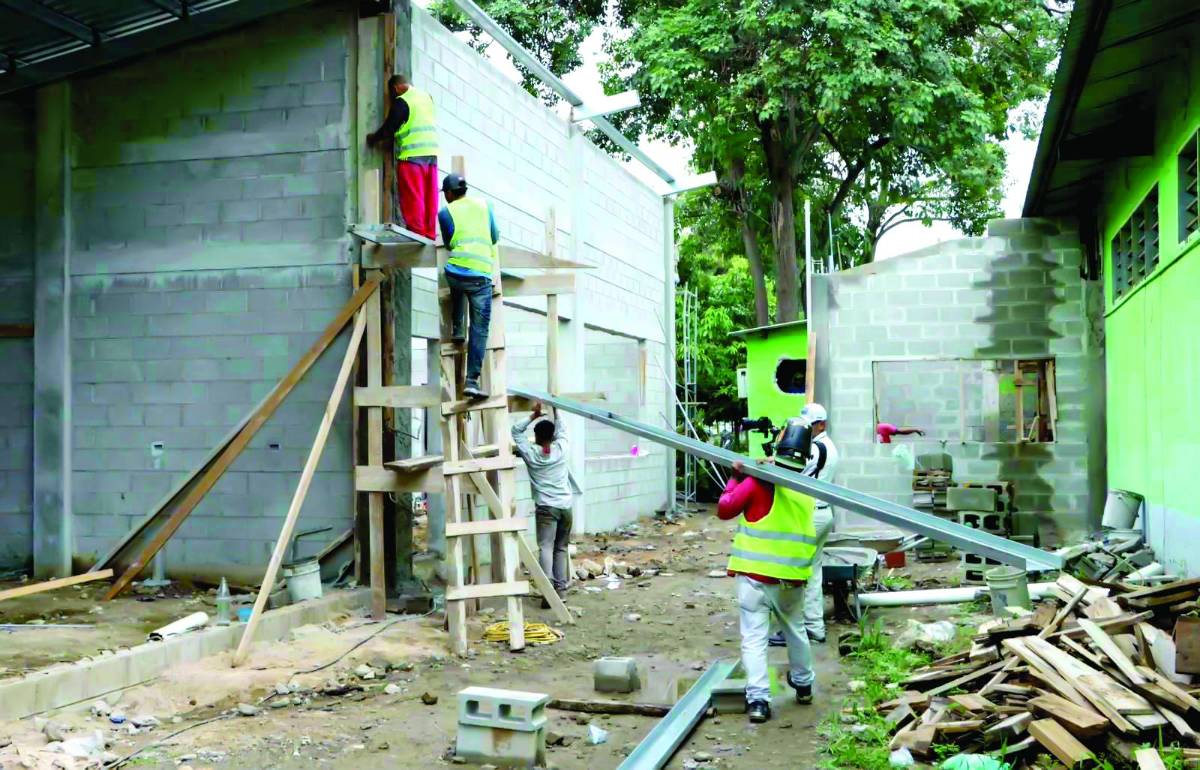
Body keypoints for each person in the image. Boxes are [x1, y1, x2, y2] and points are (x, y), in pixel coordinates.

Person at [718, 459, 818, 723]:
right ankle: (804, 685)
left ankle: (759, 701)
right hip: (791, 578)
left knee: (754, 638)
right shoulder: (805, 489)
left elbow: (725, 508)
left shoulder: (760, 482)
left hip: (756, 577)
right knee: (796, 630)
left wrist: (735, 478)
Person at [768, 402, 837, 646]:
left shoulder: (817, 448)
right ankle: (813, 628)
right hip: (821, 514)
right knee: (812, 573)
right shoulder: (826, 446)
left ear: (821, 424)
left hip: (810, 516)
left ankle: (797, 630)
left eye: (811, 425)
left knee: (793, 574)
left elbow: (788, 469)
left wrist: (769, 459)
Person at [438, 173, 499, 399]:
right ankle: (471, 381)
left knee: (457, 280)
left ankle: (456, 328)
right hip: (481, 279)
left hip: (456, 274)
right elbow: (494, 236)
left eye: (446, 194)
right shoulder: (485, 206)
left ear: (451, 193)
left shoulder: (445, 213)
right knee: (480, 329)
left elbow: (448, 242)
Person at [512, 403, 572, 607]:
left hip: (546, 508)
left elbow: (515, 431)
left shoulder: (531, 453)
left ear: (536, 437)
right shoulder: (562, 448)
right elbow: (562, 427)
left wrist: (533, 416)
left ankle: (547, 593)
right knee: (561, 548)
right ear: (553, 435)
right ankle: (560, 591)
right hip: (565, 506)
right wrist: (555, 408)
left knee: (545, 547)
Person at [366, 75, 439, 239]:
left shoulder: (402, 101)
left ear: (395, 88)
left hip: (411, 156)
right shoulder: (427, 97)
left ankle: (417, 233)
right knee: (430, 196)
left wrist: (373, 138)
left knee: (413, 196)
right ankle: (429, 233)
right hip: (431, 155)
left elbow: (389, 128)